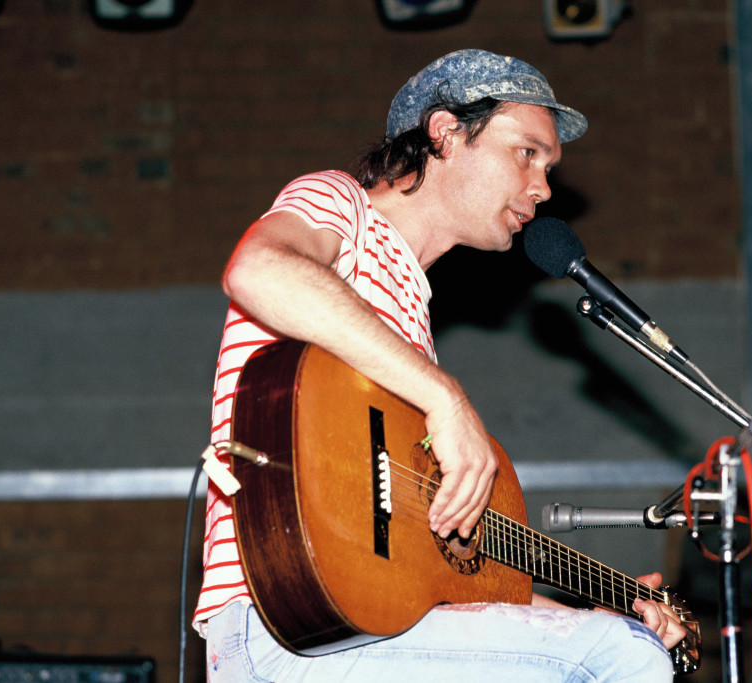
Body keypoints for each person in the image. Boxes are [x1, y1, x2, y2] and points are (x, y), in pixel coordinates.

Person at [195, 49, 687, 681]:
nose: (542, 187)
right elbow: (257, 270)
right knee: (623, 658)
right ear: (447, 134)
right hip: (286, 629)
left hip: (365, 633)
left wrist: (597, 611)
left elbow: (428, 584)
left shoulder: (409, 324)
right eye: (527, 152)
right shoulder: (341, 206)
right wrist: (445, 399)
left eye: (549, 167)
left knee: (615, 642)